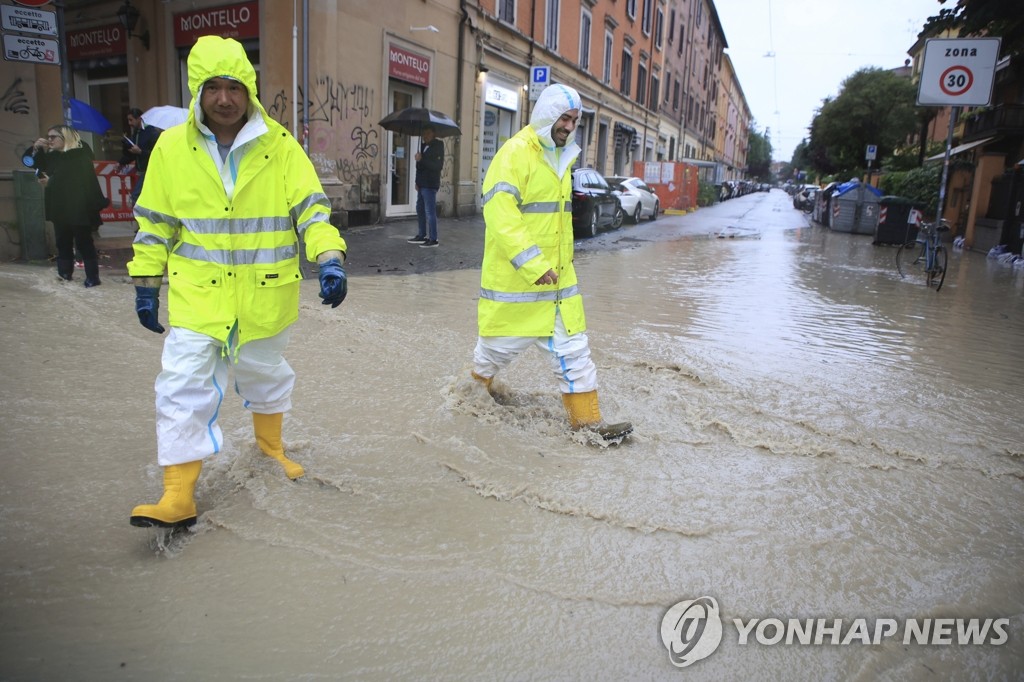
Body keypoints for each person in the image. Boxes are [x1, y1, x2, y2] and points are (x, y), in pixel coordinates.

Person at [127, 35, 349, 529]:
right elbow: (155, 221)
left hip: (265, 298)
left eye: (234, 87)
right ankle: (178, 494)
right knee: (182, 385)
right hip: (197, 299)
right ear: (197, 92)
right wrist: (146, 283)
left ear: (249, 90)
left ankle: (271, 450)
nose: (224, 99)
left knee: (265, 378)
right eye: (212, 88)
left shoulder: (281, 146)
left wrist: (329, 258)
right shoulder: (171, 148)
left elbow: (312, 210)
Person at [470, 85, 632, 441]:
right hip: (518, 290)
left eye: (575, 120)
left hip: (558, 287)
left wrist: (552, 269)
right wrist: (533, 265)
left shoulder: (562, 157)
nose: (570, 126)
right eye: (565, 118)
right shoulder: (514, 155)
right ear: (547, 115)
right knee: (492, 356)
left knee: (575, 353)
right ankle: (466, 400)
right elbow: (499, 216)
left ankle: (589, 428)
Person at [31, 125, 107, 287]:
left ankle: (92, 277)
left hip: (79, 206)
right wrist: (36, 149)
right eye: (48, 136)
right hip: (60, 206)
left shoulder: (79, 155)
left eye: (53, 137)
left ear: (66, 139)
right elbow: (33, 164)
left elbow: (72, 179)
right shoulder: (53, 156)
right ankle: (64, 274)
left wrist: (51, 182)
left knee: (83, 241)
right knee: (62, 240)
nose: (49, 140)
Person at [406, 125, 444, 248]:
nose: (425, 136)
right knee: (420, 209)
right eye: (424, 133)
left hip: (430, 184)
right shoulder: (422, 147)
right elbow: (419, 168)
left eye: (427, 133)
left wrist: (422, 159)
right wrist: (417, 182)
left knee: (429, 211)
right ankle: (421, 235)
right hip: (422, 184)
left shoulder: (438, 146)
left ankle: (433, 239)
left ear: (433, 134)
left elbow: (437, 166)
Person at [119, 108, 163, 203]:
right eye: (128, 120)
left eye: (131, 120)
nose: (129, 123)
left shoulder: (152, 133)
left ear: (139, 118)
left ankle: (138, 217)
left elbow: (156, 154)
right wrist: (121, 160)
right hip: (141, 170)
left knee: (136, 196)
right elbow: (131, 155)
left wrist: (140, 152)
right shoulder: (136, 133)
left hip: (149, 170)